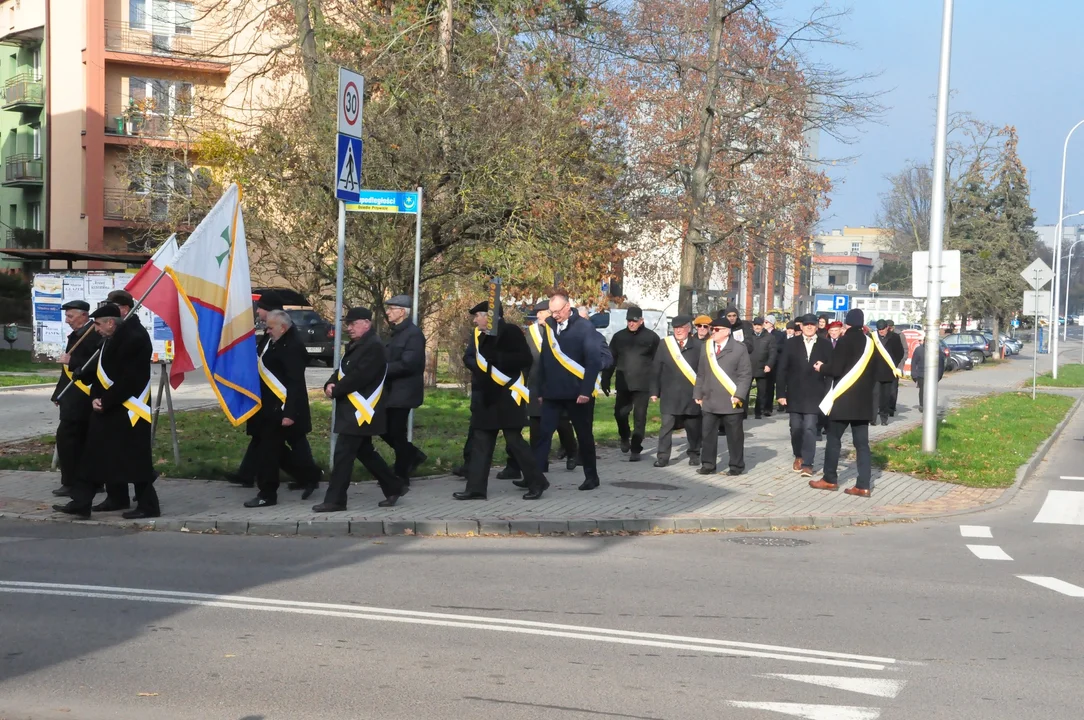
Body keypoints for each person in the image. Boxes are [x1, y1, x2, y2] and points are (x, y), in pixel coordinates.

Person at [53, 304, 160, 520]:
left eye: (99, 324)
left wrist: (106, 401)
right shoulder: (110, 339)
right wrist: (87, 384)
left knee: (134, 460)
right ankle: (82, 502)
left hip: (129, 410)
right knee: (93, 456)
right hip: (109, 409)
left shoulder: (134, 340)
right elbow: (101, 371)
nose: (97, 329)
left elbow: (131, 379)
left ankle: (148, 506)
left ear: (111, 322)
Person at [313, 307, 406, 511]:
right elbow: (343, 369)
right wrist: (330, 383)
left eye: (353, 324)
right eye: (348, 324)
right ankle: (394, 486)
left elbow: (360, 376)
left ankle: (335, 500)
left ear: (366, 323)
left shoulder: (373, 346)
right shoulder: (358, 344)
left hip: (362, 410)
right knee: (364, 452)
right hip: (354, 410)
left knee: (343, 455)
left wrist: (336, 390)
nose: (349, 328)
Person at [453, 301, 548, 500]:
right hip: (486, 397)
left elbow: (524, 359)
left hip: (506, 397)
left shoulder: (511, 331)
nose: (475, 319)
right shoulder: (478, 335)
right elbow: (469, 357)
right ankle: (475, 488)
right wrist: (479, 367)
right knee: (481, 443)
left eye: (479, 315)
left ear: (491, 317)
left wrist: (496, 359)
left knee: (515, 442)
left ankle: (536, 482)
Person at [242, 310, 322, 507]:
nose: (266, 331)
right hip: (265, 407)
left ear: (283, 328)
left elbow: (295, 383)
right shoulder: (271, 341)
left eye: (270, 327)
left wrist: (290, 414)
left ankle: (267, 494)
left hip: (280, 409)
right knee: (275, 451)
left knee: (268, 452)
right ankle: (310, 475)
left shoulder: (292, 347)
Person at [533, 290, 603, 491]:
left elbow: (593, 361)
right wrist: (539, 390)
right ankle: (535, 479)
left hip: (577, 393)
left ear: (567, 306)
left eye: (557, 311)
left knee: (584, 435)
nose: (555, 315)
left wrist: (586, 390)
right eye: (551, 312)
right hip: (552, 393)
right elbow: (544, 359)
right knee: (543, 435)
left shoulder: (584, 327)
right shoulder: (550, 327)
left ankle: (591, 476)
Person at [501, 301, 578, 478]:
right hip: (536, 385)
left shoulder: (561, 331)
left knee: (562, 424)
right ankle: (539, 465)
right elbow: (526, 359)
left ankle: (572, 451)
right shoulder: (531, 333)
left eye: (541, 313)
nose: (538, 316)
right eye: (537, 313)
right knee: (536, 424)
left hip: (557, 385)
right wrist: (521, 383)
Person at [809, 308, 878, 497]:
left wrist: (821, 367)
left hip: (843, 400)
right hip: (863, 403)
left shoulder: (844, 341)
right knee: (862, 444)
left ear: (847, 324)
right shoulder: (870, 343)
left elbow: (836, 368)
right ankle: (863, 484)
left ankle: (830, 479)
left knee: (833, 440)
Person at [226, 289, 284, 489]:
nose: (258, 312)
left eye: (261, 308)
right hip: (265, 395)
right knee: (261, 437)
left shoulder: (281, 333)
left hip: (279, 399)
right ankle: (247, 474)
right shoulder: (269, 334)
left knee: (292, 442)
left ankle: (308, 475)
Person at [49, 300, 103, 498]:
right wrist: (58, 393)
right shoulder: (79, 334)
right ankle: (88, 481)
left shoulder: (92, 335)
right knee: (77, 440)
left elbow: (95, 364)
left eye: (70, 316)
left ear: (83, 315)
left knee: (69, 440)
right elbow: (67, 373)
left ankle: (72, 482)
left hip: (83, 397)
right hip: (71, 396)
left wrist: (72, 361)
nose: (67, 320)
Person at [694, 316, 752, 476]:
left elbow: (745, 375)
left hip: (731, 400)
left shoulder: (739, 348)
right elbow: (700, 373)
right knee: (707, 435)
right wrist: (697, 393)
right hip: (709, 399)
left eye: (716, 329)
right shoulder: (706, 347)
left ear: (727, 332)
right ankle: (708, 464)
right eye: (711, 329)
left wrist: (739, 395)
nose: (712, 331)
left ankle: (736, 466)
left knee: (734, 437)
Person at [380, 295, 428, 485]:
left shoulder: (413, 334)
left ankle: (401, 475)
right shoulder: (396, 332)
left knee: (396, 432)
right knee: (385, 429)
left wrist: (382, 370)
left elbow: (409, 364)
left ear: (402, 312)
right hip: (392, 391)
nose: (388, 312)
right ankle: (413, 455)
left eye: (392, 309)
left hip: (404, 391)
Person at [601, 306, 660, 462]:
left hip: (643, 384)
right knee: (619, 414)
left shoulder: (652, 337)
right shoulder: (619, 337)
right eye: (629, 320)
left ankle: (636, 448)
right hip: (624, 383)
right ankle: (624, 436)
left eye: (634, 321)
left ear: (641, 320)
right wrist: (605, 379)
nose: (631, 323)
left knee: (639, 417)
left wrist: (657, 386)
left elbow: (658, 363)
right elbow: (610, 359)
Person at [776, 314, 831, 478]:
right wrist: (780, 393)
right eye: (806, 324)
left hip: (815, 394)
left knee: (809, 427)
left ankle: (808, 463)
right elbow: (782, 369)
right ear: (801, 327)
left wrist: (828, 395)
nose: (809, 327)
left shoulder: (825, 345)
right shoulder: (791, 343)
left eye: (812, 325)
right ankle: (798, 455)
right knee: (796, 428)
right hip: (795, 393)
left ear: (817, 327)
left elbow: (831, 370)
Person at [649, 314, 702, 467]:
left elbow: (703, 371)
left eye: (682, 328)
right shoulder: (665, 344)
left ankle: (694, 453)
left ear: (689, 328)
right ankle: (662, 457)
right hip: (669, 394)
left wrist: (702, 392)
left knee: (693, 427)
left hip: (691, 395)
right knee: (666, 427)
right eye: (676, 328)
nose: (678, 331)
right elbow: (656, 369)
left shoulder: (698, 345)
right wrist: (654, 391)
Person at [871, 320, 905, 425]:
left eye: (882, 329)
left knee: (885, 396)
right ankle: (872, 419)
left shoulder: (894, 337)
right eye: (879, 329)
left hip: (888, 371)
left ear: (887, 328)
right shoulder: (872, 337)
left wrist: (894, 365)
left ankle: (884, 418)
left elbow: (900, 352)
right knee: (874, 396)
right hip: (875, 372)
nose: (881, 331)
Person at [748, 316, 778, 420]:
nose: (757, 327)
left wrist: (769, 365)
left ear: (763, 325)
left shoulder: (769, 337)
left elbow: (773, 353)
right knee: (745, 391)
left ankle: (758, 412)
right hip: (748, 367)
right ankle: (742, 413)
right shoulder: (748, 336)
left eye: (759, 325)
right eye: (755, 325)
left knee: (761, 392)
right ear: (753, 325)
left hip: (762, 368)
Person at [761, 315, 787, 416]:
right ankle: (764, 407)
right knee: (766, 387)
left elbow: (783, 347)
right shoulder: (762, 334)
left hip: (776, 363)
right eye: (764, 322)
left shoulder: (779, 335)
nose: (764, 324)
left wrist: (772, 346)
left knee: (775, 385)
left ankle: (774, 406)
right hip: (764, 362)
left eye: (766, 322)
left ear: (771, 323)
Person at [911, 340, 945, 413]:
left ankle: (930, 405)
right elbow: (914, 362)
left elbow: (941, 362)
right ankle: (922, 405)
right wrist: (914, 374)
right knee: (922, 390)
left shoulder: (937, 349)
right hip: (921, 374)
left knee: (931, 391)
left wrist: (939, 375)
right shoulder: (919, 349)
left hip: (933, 374)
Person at [885, 320, 905, 416]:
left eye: (889, 327)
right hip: (884, 366)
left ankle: (891, 407)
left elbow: (904, 351)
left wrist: (900, 366)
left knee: (893, 388)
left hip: (895, 366)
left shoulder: (899, 335)